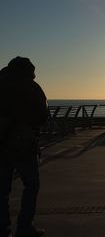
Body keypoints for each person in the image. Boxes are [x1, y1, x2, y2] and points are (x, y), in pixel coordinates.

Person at [0, 57, 48, 237]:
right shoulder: (31, 87)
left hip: (1, 145)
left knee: (2, 189)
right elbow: (42, 116)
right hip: (24, 145)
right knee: (31, 185)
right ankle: (25, 226)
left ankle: (2, 229)